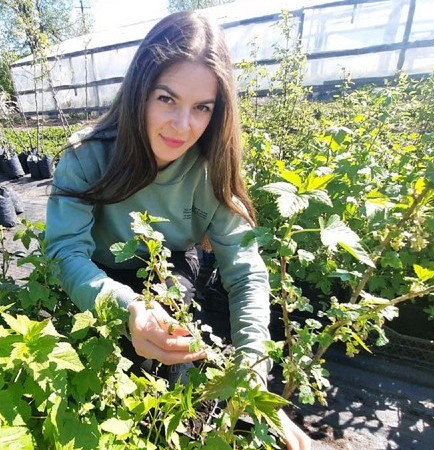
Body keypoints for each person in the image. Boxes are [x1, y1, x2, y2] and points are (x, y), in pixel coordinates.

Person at [45, 10, 311, 450]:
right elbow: (65, 252)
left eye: (202, 107)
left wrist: (252, 378)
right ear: (139, 90)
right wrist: (127, 306)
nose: (183, 126)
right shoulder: (88, 156)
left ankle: (174, 417)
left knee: (176, 332)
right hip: (97, 274)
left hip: (170, 269)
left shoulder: (210, 167)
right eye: (166, 98)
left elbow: (246, 273)